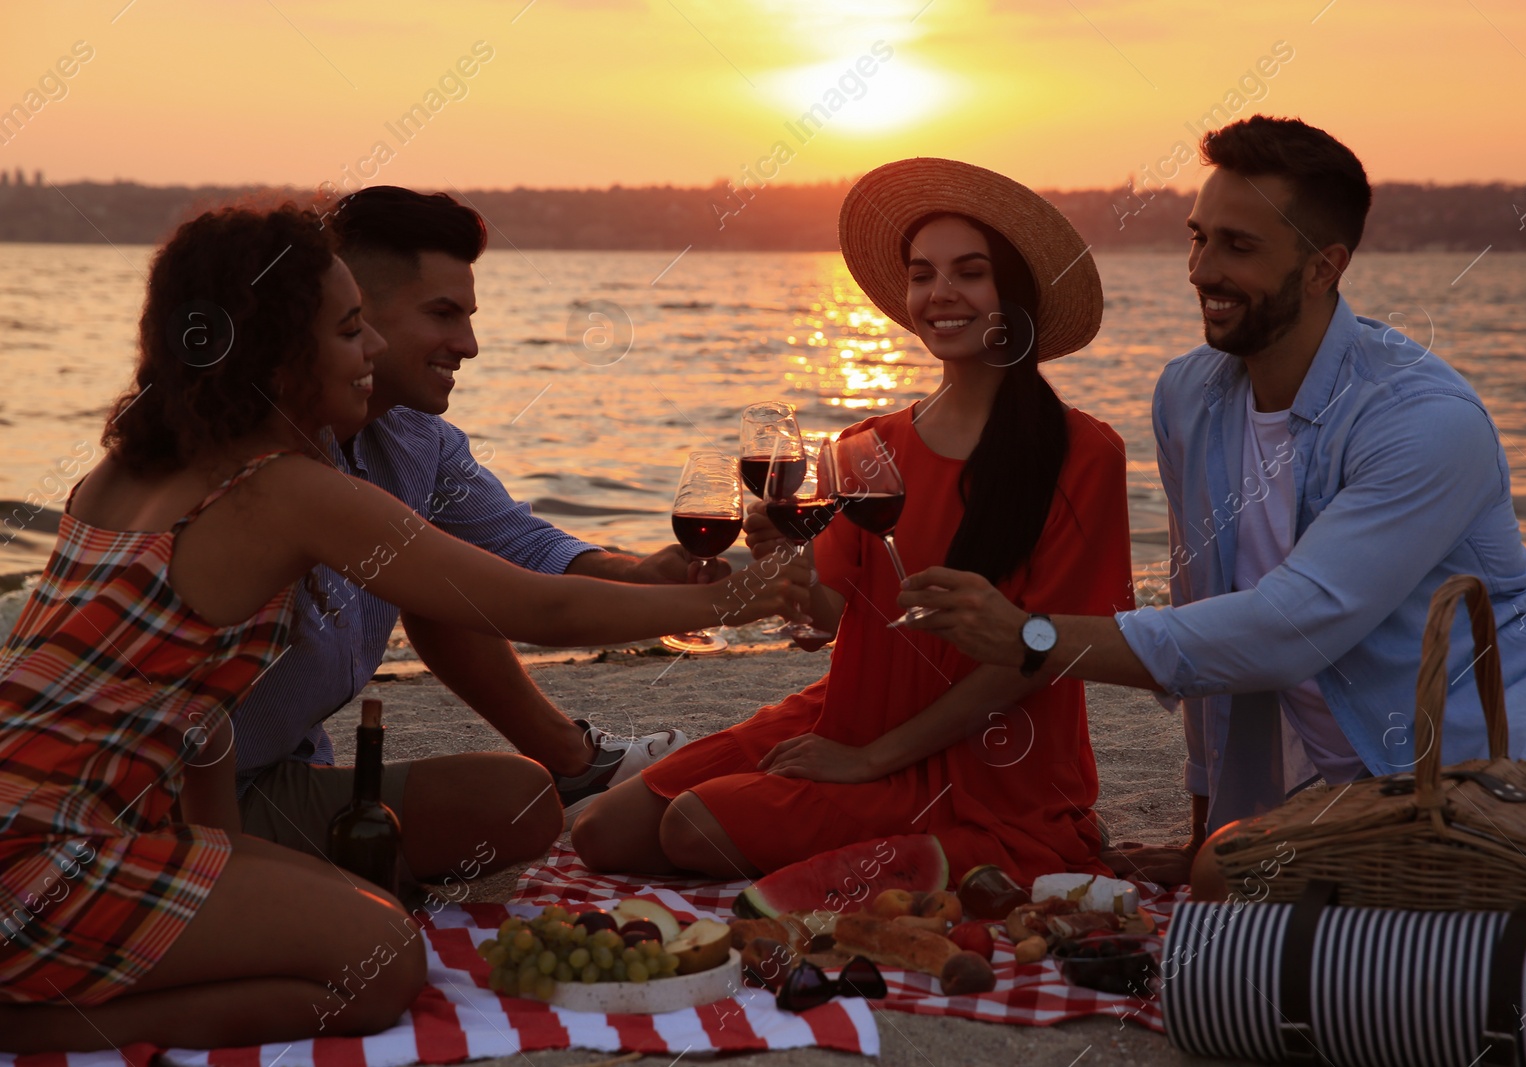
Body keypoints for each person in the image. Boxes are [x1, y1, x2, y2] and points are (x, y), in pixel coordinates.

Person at [0, 204, 807, 1050]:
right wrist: (752, 597)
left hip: (97, 813)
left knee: (384, 907)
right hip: (46, 852)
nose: (374, 352)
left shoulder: (130, 467)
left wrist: (225, 854)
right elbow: (539, 609)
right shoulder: (286, 492)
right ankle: (39, 1025)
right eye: (351, 332)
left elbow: (184, 715)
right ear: (281, 355)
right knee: (383, 966)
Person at [897, 116, 1526, 884]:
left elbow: (1284, 629)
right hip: (1361, 794)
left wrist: (1033, 636)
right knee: (1222, 883)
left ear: (1323, 267)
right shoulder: (1190, 397)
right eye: (1199, 237)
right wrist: (1202, 827)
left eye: (1239, 246)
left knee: (1507, 964)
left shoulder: (1421, 420)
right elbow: (1210, 614)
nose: (1201, 270)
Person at [572, 158, 1134, 885]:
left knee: (692, 827)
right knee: (603, 830)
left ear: (1015, 293)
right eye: (922, 273)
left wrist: (870, 761)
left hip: (990, 752)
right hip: (849, 711)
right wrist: (785, 565)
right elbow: (826, 621)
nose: (940, 294)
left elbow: (1028, 663)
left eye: (969, 271)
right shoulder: (866, 448)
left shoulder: (1085, 452)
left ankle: (985, 838)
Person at [230, 187, 718, 899]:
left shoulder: (412, 437)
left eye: (468, 315)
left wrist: (643, 573)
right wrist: (737, 602)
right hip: (185, 796)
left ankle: (568, 763)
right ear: (350, 310)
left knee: (512, 799)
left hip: (285, 770)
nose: (469, 344)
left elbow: (518, 546)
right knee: (492, 821)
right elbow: (537, 608)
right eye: (442, 314)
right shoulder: (270, 460)